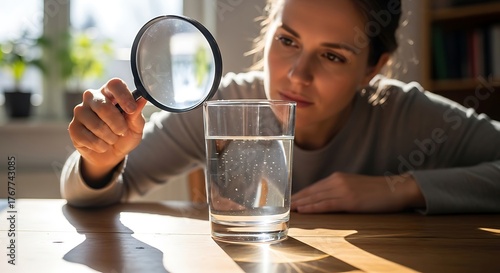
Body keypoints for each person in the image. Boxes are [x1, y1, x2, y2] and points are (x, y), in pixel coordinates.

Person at [61, 0, 500, 214]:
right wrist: (100, 160)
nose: (297, 75)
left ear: (373, 67)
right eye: (287, 41)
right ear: (266, 32)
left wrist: (400, 188)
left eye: (333, 56)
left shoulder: (406, 115)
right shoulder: (220, 106)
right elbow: (89, 194)